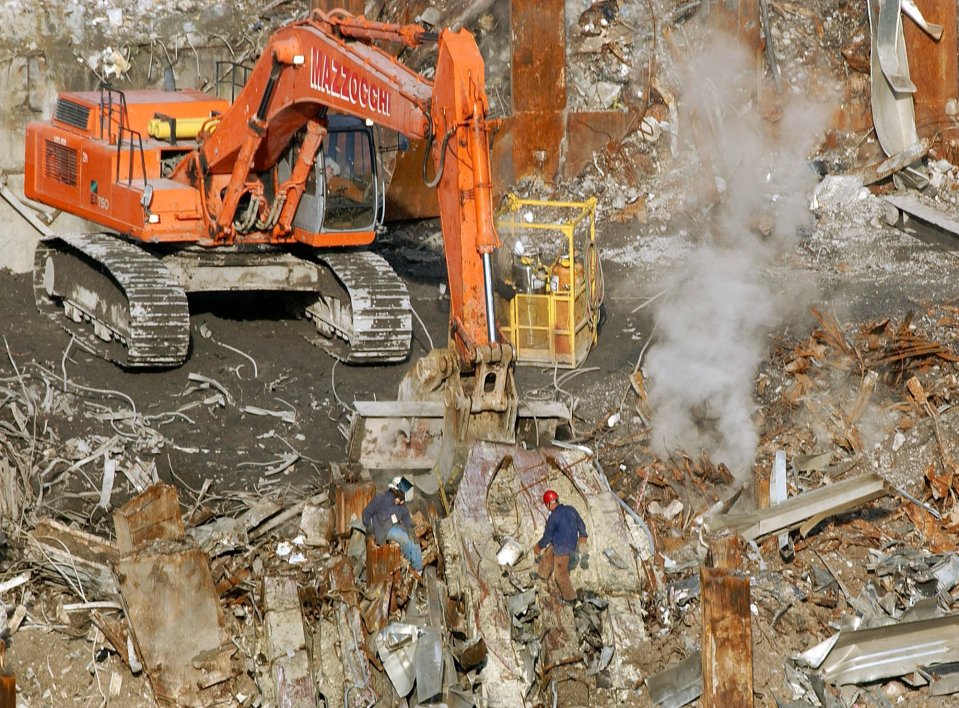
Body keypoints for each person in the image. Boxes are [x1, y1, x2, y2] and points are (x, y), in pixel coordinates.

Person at [532, 489, 588, 604]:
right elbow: (581, 524)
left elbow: (547, 536)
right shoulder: (571, 510)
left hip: (563, 548)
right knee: (549, 553)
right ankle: (542, 575)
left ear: (549, 503)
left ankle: (570, 598)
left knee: (560, 574)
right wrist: (583, 538)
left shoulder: (554, 517)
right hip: (569, 543)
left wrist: (538, 546)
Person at [362, 476, 423, 576]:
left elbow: (406, 518)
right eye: (401, 495)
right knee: (401, 537)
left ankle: (418, 570)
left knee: (414, 541)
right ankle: (409, 562)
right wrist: (369, 528)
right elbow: (366, 513)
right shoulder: (381, 499)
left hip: (396, 526)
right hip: (383, 529)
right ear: (395, 491)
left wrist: (411, 531)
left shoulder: (401, 505)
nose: (403, 498)